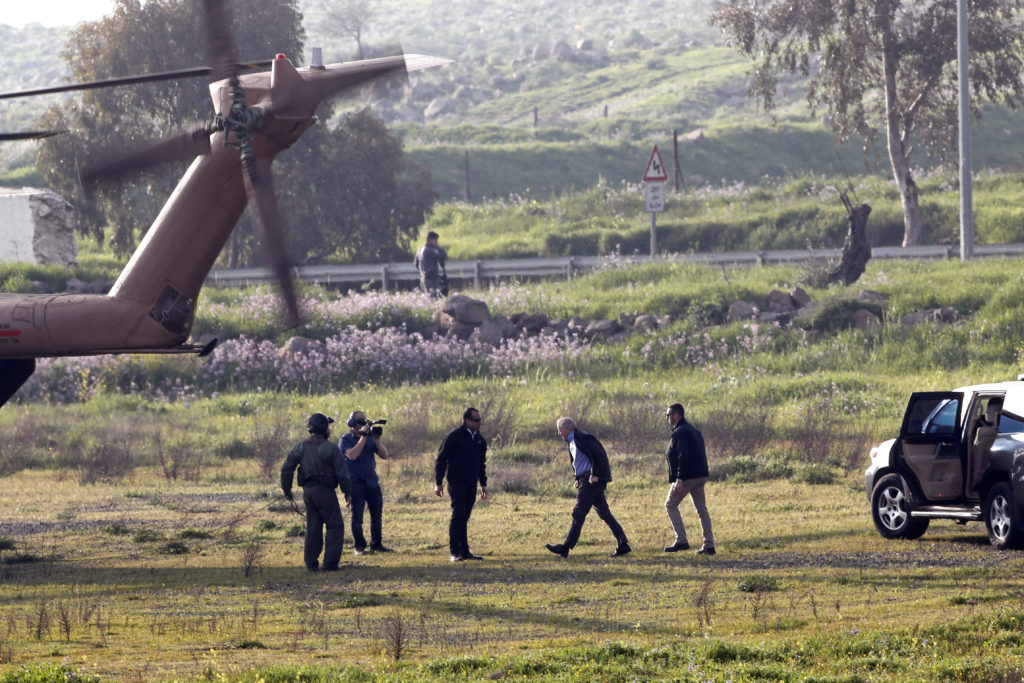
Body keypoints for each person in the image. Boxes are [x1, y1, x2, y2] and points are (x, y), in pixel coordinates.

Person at [545, 417, 631, 558]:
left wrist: (596, 475)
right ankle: (623, 544)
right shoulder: (571, 441)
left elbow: (600, 456)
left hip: (591, 480)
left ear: (568, 428)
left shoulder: (583, 438)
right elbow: (579, 461)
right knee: (604, 512)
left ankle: (565, 547)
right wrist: (578, 478)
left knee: (579, 512)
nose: (559, 434)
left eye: (560, 430)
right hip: (585, 479)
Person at [280, 412, 352, 571]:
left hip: (308, 492)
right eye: (328, 426)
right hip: (325, 491)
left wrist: (286, 489)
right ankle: (330, 564)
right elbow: (342, 474)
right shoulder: (331, 448)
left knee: (313, 526)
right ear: (324, 428)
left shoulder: (300, 446)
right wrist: (347, 492)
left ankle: (311, 564)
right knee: (335, 525)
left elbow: (286, 469)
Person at [434, 407, 488, 562]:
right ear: (467, 420)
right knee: (458, 514)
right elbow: (441, 459)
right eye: (476, 420)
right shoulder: (454, 437)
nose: (480, 423)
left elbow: (481, 464)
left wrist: (483, 484)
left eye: (480, 419)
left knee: (465, 516)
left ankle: (465, 551)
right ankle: (454, 552)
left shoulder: (480, 440)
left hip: (471, 483)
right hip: (456, 481)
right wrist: (438, 483)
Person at [663, 403, 715, 555]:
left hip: (688, 476)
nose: (668, 418)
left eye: (669, 414)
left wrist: (679, 478)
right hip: (701, 475)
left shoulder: (680, 431)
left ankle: (681, 540)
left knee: (670, 504)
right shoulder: (693, 430)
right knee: (701, 510)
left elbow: (683, 455)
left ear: (677, 415)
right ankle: (709, 545)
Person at [340, 410, 391, 555]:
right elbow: (352, 455)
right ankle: (359, 546)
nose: (362, 424)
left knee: (376, 515)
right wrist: (363, 438)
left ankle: (377, 544)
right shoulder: (345, 439)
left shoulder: (369, 439)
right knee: (357, 517)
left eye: (364, 421)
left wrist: (377, 442)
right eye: (359, 421)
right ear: (352, 424)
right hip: (356, 483)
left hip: (371, 482)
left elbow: (385, 455)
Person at [414, 230, 447, 298]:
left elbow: (416, 264)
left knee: (427, 299)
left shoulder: (420, 249)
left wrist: (422, 271)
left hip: (423, 279)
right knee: (434, 299)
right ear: (431, 240)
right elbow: (443, 255)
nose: (436, 242)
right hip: (431, 280)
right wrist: (438, 248)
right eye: (436, 240)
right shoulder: (429, 250)